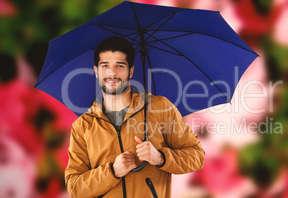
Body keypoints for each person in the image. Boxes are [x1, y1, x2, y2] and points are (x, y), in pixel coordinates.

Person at [64, 37, 205, 198]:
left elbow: (197, 156)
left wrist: (161, 157)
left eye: (119, 65)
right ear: (96, 71)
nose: (112, 72)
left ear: (130, 70)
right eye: (105, 66)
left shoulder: (160, 108)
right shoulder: (83, 126)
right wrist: (112, 171)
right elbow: (74, 187)